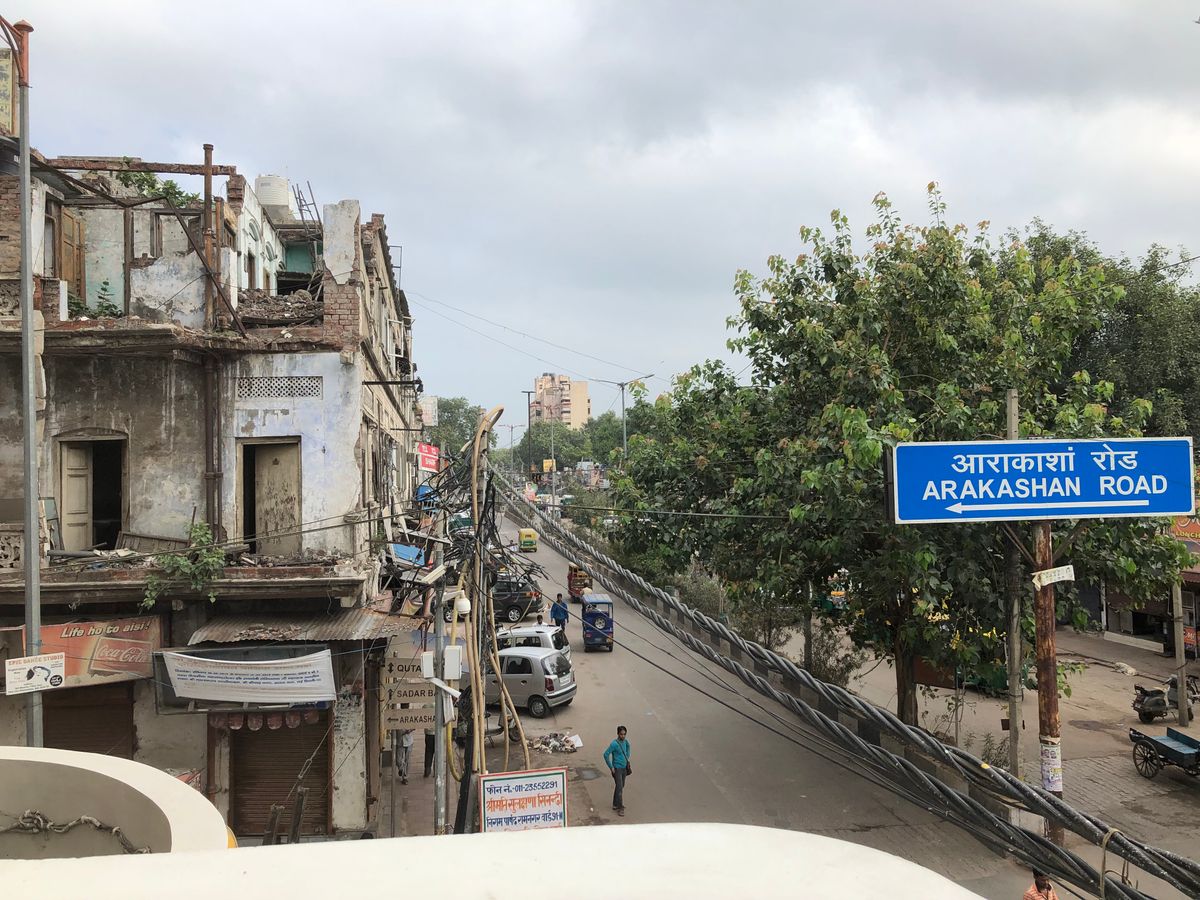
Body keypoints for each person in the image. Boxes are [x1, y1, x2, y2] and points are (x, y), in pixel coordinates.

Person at [603, 725, 631, 816]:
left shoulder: (625, 742)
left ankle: (615, 804)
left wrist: (627, 756)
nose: (623, 736)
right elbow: (606, 754)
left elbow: (628, 747)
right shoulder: (614, 744)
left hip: (624, 768)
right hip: (617, 769)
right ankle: (620, 807)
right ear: (618, 734)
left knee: (621, 786)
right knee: (619, 788)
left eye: (624, 734)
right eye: (621, 734)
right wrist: (611, 767)